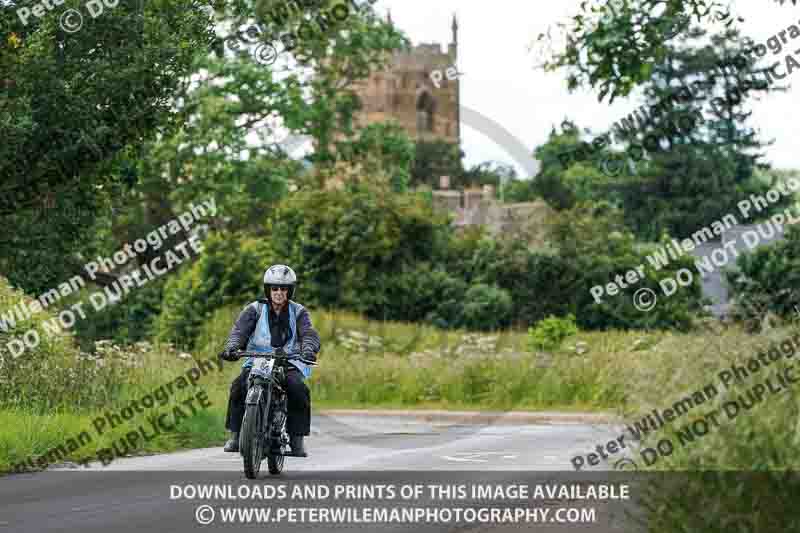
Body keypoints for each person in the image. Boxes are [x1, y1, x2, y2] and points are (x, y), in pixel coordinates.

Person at [219, 264, 321, 457]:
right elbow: (239, 332)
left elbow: (308, 334)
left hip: (289, 360)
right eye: (274, 288)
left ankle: (296, 439)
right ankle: (236, 435)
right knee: (238, 386)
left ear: (290, 290)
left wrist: (308, 349)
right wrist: (232, 348)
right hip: (258, 360)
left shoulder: (298, 311)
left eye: (283, 288)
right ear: (268, 289)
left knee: (297, 388)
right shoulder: (254, 309)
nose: (279, 292)